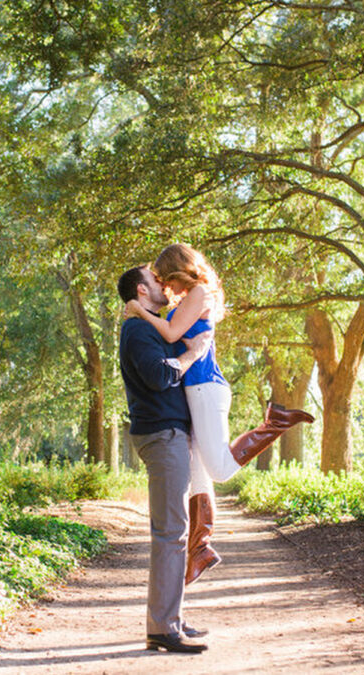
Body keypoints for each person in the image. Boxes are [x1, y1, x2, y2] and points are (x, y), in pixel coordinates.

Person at [125, 243, 314, 586]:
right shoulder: (188, 299)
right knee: (199, 474)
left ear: (179, 270)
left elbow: (169, 333)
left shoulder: (199, 292)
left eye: (167, 278)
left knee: (221, 470)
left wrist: (139, 310)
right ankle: (200, 549)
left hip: (205, 389)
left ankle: (276, 422)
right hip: (192, 392)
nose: (166, 287)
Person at [117, 264, 213, 654]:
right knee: (171, 533)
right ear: (142, 290)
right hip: (161, 434)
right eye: (156, 280)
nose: (163, 282)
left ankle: (169, 618)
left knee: (177, 530)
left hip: (171, 433)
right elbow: (159, 377)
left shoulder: (149, 325)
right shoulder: (137, 330)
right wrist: (192, 354)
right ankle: (162, 627)